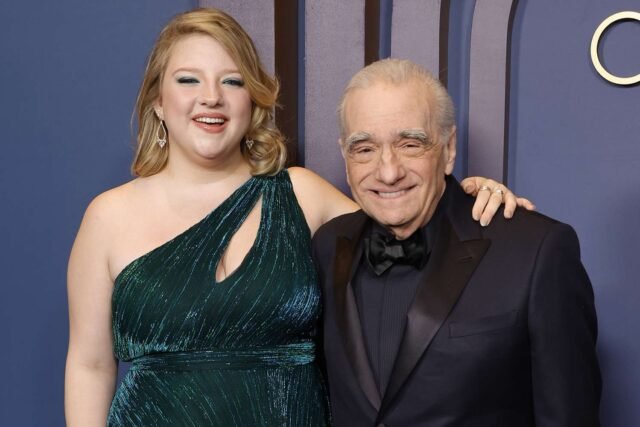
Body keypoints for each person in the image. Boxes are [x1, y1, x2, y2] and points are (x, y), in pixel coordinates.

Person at [64, 9, 531, 427]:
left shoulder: (302, 195)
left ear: (253, 99)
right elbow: (90, 365)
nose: (211, 97)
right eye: (188, 80)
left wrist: (470, 195)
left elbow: (413, 230)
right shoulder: (108, 217)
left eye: (232, 81)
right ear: (158, 101)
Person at [313, 58, 601, 426]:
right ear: (345, 155)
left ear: (449, 149)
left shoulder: (536, 250)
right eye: (364, 149)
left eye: (410, 144)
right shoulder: (327, 246)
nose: (388, 171)